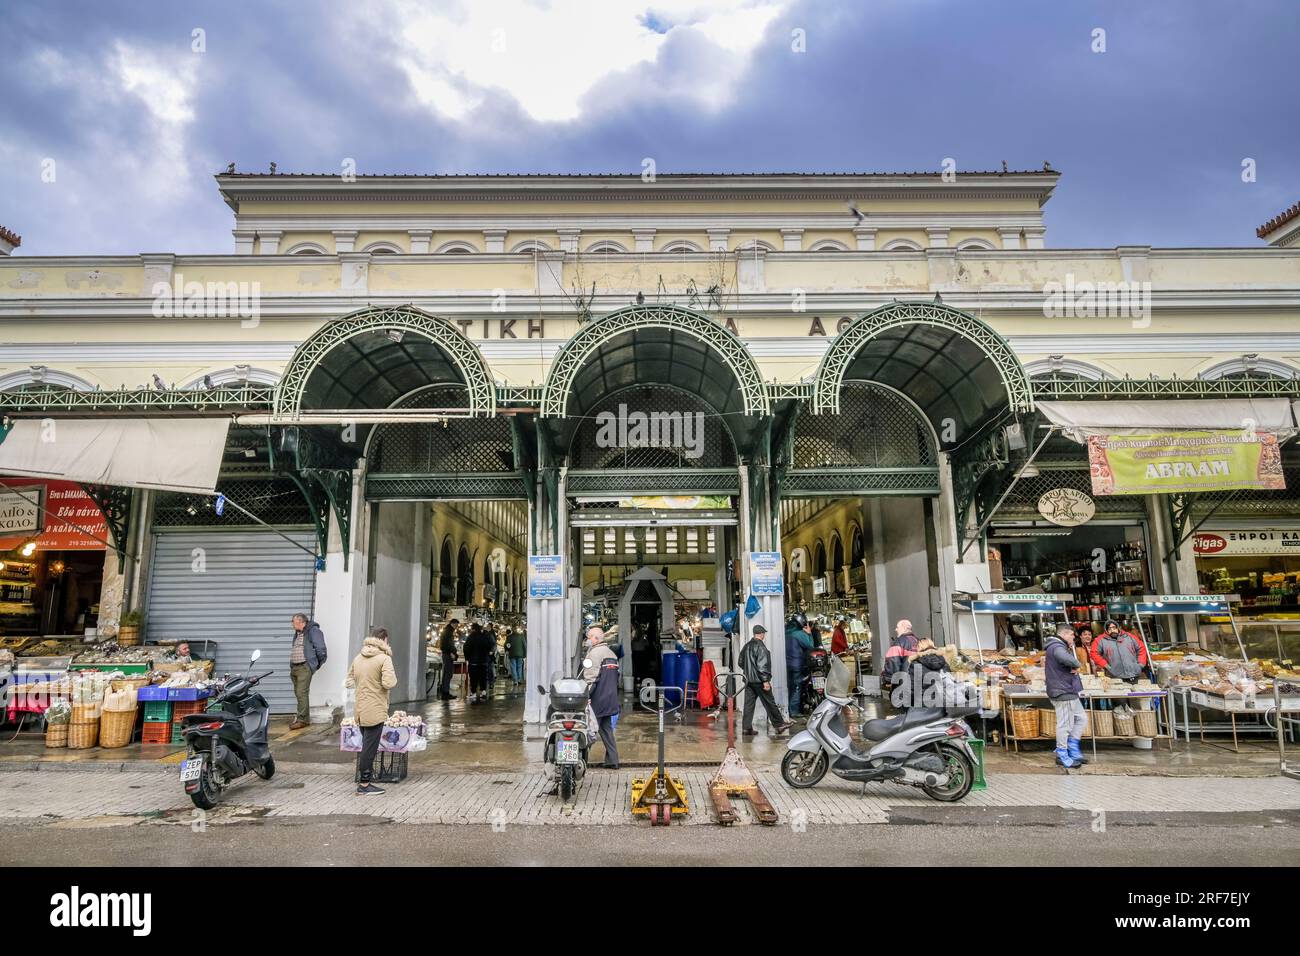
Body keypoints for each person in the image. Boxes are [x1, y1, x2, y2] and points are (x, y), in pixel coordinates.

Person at [346, 627, 397, 795]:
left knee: (366, 744)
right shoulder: (384, 659)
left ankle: (365, 780)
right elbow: (389, 683)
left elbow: (348, 681)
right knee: (370, 747)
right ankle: (365, 784)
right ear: (385, 641)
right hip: (375, 709)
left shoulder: (358, 658)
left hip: (360, 708)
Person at [1045, 623, 1088, 769]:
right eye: (1071, 635)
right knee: (1065, 724)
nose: (1073, 637)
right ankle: (1062, 754)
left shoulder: (1059, 645)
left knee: (1081, 718)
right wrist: (1076, 664)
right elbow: (1065, 658)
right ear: (1064, 634)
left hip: (1069, 690)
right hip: (1062, 691)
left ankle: (1073, 747)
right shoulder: (1057, 646)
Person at [738, 624, 792, 736]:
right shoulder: (761, 647)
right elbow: (762, 666)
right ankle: (779, 725)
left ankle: (746, 728)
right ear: (761, 634)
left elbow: (740, 662)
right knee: (769, 702)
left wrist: (749, 670)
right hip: (759, 681)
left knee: (748, 704)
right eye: (764, 633)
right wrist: (765, 681)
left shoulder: (746, 646)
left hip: (748, 681)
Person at [289, 613, 327, 730]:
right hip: (295, 667)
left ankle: (303, 720)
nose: (292, 624)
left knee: (301, 692)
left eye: (293, 622)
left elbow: (321, 649)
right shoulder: (298, 633)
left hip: (304, 667)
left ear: (301, 622)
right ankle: (302, 716)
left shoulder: (313, 631)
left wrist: (315, 664)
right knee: (298, 693)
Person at [900, 637, 949, 710]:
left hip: (924, 709)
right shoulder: (945, 663)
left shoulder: (915, 665)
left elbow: (909, 690)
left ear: (919, 648)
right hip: (944, 706)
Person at [590, 656, 621, 769]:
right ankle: (613, 761)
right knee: (607, 732)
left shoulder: (599, 667)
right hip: (610, 703)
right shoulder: (615, 668)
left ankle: (580, 759)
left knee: (589, 731)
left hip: (598, 704)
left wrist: (586, 696)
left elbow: (593, 681)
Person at [784, 613, 814, 715]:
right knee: (797, 687)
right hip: (797, 664)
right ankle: (794, 711)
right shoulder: (799, 634)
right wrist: (809, 634)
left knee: (790, 687)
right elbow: (810, 646)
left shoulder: (786, 632)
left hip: (786, 664)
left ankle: (788, 709)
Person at [881, 619, 920, 690]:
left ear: (904, 628)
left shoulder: (899, 642)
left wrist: (888, 679)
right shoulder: (918, 641)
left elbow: (893, 661)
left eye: (897, 627)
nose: (896, 629)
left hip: (903, 682)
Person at [464, 623, 494, 702]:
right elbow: (491, 645)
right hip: (484, 661)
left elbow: (466, 648)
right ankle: (483, 691)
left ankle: (473, 693)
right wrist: (488, 653)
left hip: (473, 661)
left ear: (473, 629)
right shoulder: (485, 636)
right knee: (483, 677)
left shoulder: (471, 637)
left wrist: (467, 657)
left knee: (473, 678)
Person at [436, 619, 459, 701]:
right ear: (452, 624)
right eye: (456, 625)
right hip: (448, 655)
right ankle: (445, 693)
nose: (456, 627)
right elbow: (449, 644)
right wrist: (452, 653)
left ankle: (445, 692)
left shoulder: (447, 631)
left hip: (447, 654)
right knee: (448, 673)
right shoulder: (448, 632)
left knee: (447, 673)